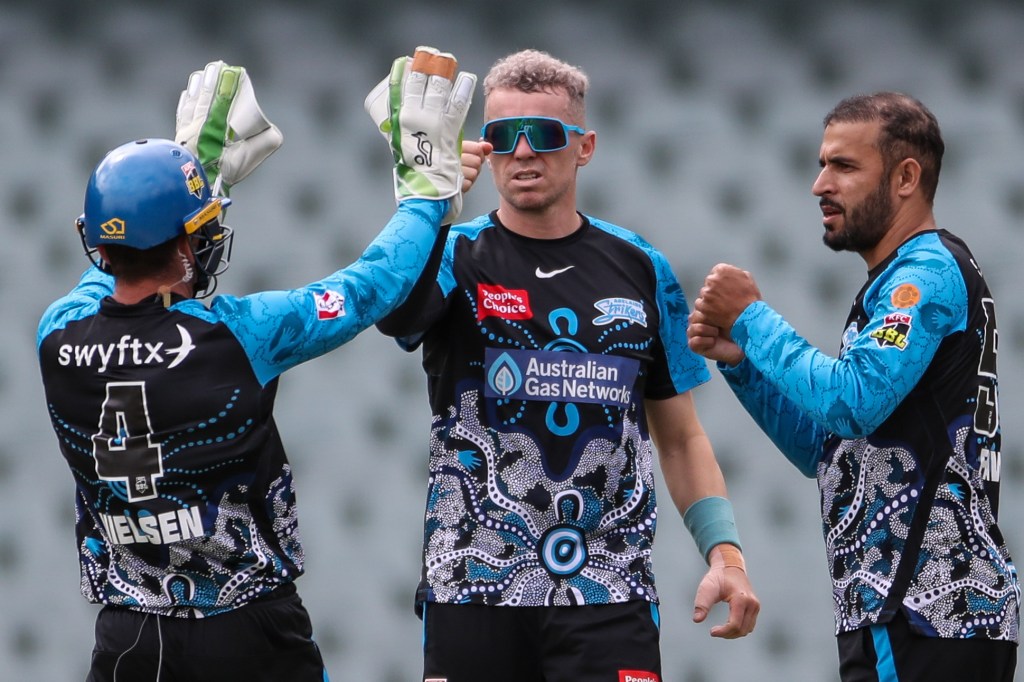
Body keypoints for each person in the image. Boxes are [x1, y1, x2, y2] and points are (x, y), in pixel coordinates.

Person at [37, 49, 482, 682]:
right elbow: (369, 288)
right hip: (248, 631)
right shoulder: (238, 336)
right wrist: (425, 194)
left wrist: (192, 178)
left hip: (129, 635)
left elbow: (113, 268)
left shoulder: (56, 332)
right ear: (186, 245)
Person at [376, 48, 758, 682]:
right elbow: (394, 315)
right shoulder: (450, 252)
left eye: (545, 134)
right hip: (473, 586)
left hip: (609, 590)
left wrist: (727, 556)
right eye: (504, 135)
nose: (523, 152)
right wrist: (430, 209)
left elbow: (681, 437)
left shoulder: (642, 267)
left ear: (585, 147)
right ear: (486, 149)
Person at [687, 92, 1019, 681]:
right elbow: (827, 451)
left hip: (927, 613)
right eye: (822, 165)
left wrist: (754, 318)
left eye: (843, 166)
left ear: (906, 177)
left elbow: (852, 401)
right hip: (908, 616)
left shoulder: (924, 274)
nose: (820, 185)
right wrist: (743, 363)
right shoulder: (898, 279)